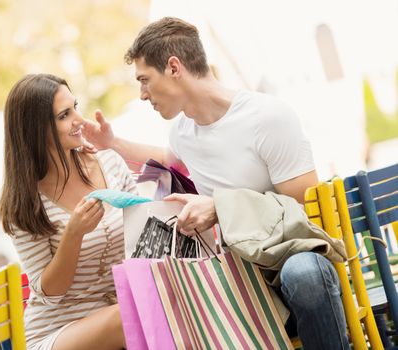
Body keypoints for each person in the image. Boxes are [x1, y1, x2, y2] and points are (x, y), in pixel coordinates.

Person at [83, 17, 349, 349]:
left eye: (145, 80)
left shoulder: (266, 117)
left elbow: (305, 208)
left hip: (288, 264)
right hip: (236, 278)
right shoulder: (182, 133)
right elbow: (167, 159)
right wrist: (113, 142)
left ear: (174, 68)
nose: (142, 95)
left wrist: (220, 208)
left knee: (305, 275)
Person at [0, 74, 132, 350]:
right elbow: (50, 293)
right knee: (127, 317)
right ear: (36, 130)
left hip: (123, 310)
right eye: (64, 115)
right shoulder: (24, 203)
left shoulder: (109, 162)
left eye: (75, 107)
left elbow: (143, 238)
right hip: (57, 329)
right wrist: (73, 234)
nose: (79, 120)